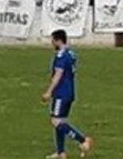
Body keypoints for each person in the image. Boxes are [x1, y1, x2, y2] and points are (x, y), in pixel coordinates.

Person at [42, 29, 94, 159]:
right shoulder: (71, 53)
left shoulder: (61, 56)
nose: (52, 43)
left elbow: (58, 75)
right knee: (61, 121)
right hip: (70, 92)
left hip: (61, 93)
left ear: (59, 40)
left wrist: (49, 91)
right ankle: (61, 153)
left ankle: (83, 140)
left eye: (53, 40)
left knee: (56, 121)